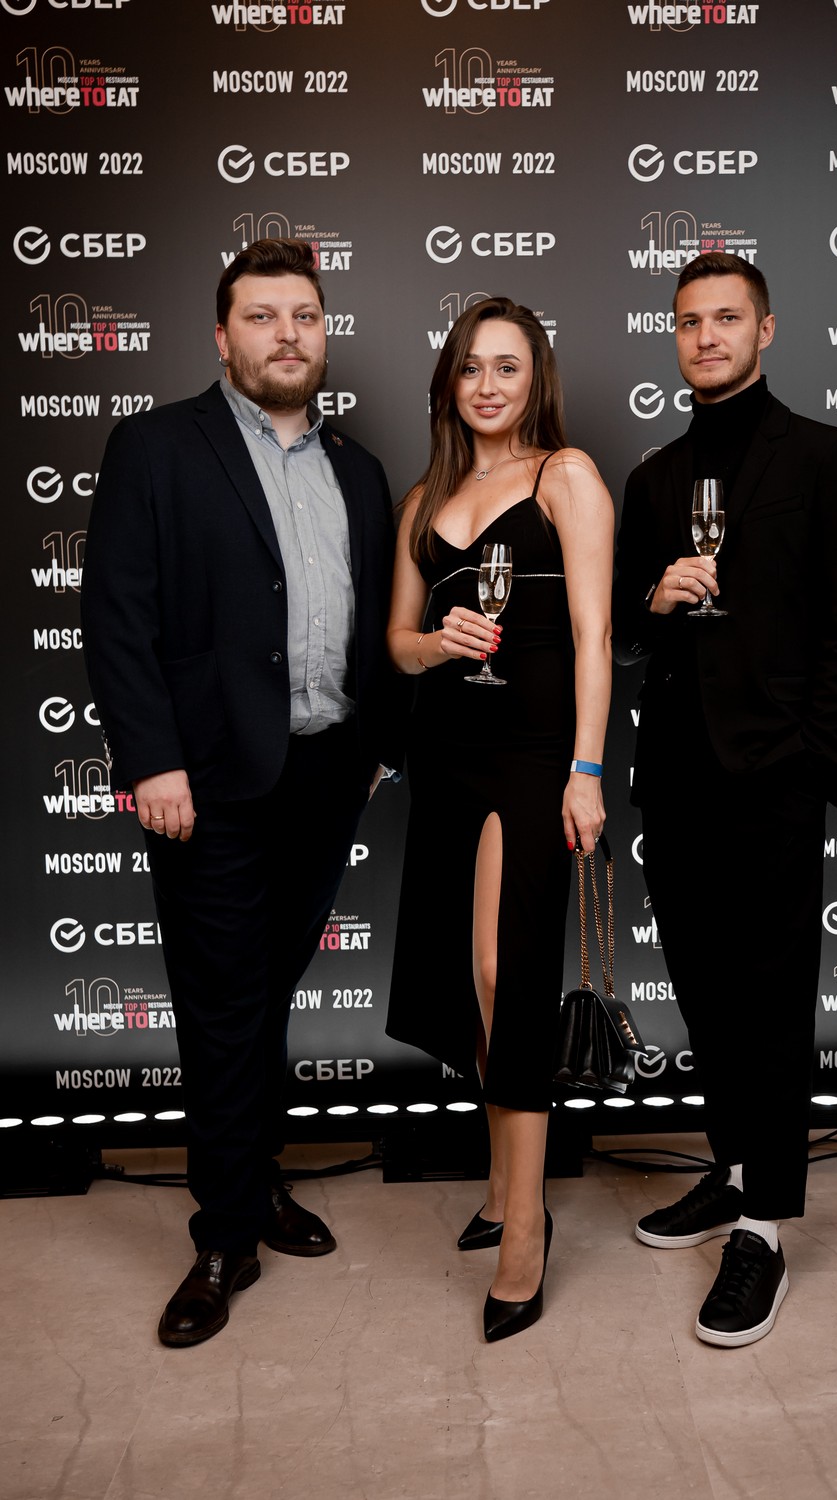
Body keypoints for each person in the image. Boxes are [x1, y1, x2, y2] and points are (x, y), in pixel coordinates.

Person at [81, 238, 402, 1347]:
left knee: (263, 996)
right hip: (207, 780)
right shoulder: (157, 446)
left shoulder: (357, 467)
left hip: (323, 773)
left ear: (324, 332)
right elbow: (116, 615)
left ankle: (257, 1180)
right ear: (222, 337)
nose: (286, 335)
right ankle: (222, 1237)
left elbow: (373, 615)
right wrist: (151, 761)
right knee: (223, 1001)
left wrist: (373, 745)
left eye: (303, 315)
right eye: (262, 317)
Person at [613, 252, 837, 1347]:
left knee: (769, 1006)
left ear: (764, 330)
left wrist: (813, 766)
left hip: (775, 781)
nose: (707, 336)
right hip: (675, 784)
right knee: (707, 995)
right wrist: (656, 595)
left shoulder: (824, 456)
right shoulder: (654, 477)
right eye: (689, 321)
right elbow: (625, 631)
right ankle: (731, 1171)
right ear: (674, 337)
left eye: (726, 318)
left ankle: (763, 1227)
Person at [385, 297, 614, 1342]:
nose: (488, 385)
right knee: (464, 984)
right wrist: (440, 642)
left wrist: (585, 768)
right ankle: (500, 1184)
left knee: (501, 974)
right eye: (471, 367)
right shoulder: (423, 498)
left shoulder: (565, 475)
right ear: (449, 381)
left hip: (533, 755)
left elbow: (594, 635)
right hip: (446, 754)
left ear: (536, 380)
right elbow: (398, 642)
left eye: (508, 367)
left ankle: (526, 1227)